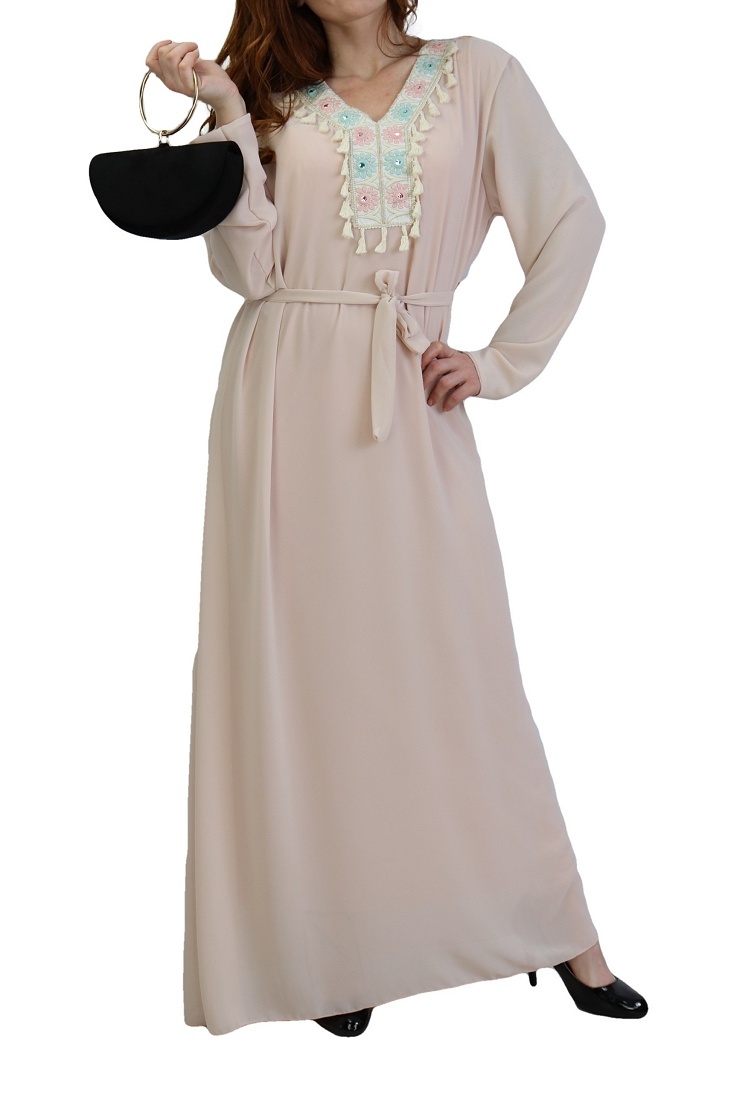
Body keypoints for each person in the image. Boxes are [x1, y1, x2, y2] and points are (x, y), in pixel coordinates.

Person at [145, 0, 648, 1038]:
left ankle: (562, 930)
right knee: (314, 681)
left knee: (459, 670)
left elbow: (572, 220)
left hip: (410, 399)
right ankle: (340, 951)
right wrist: (226, 108)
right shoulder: (272, 99)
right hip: (280, 408)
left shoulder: (477, 75)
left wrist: (499, 362)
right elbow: (246, 271)